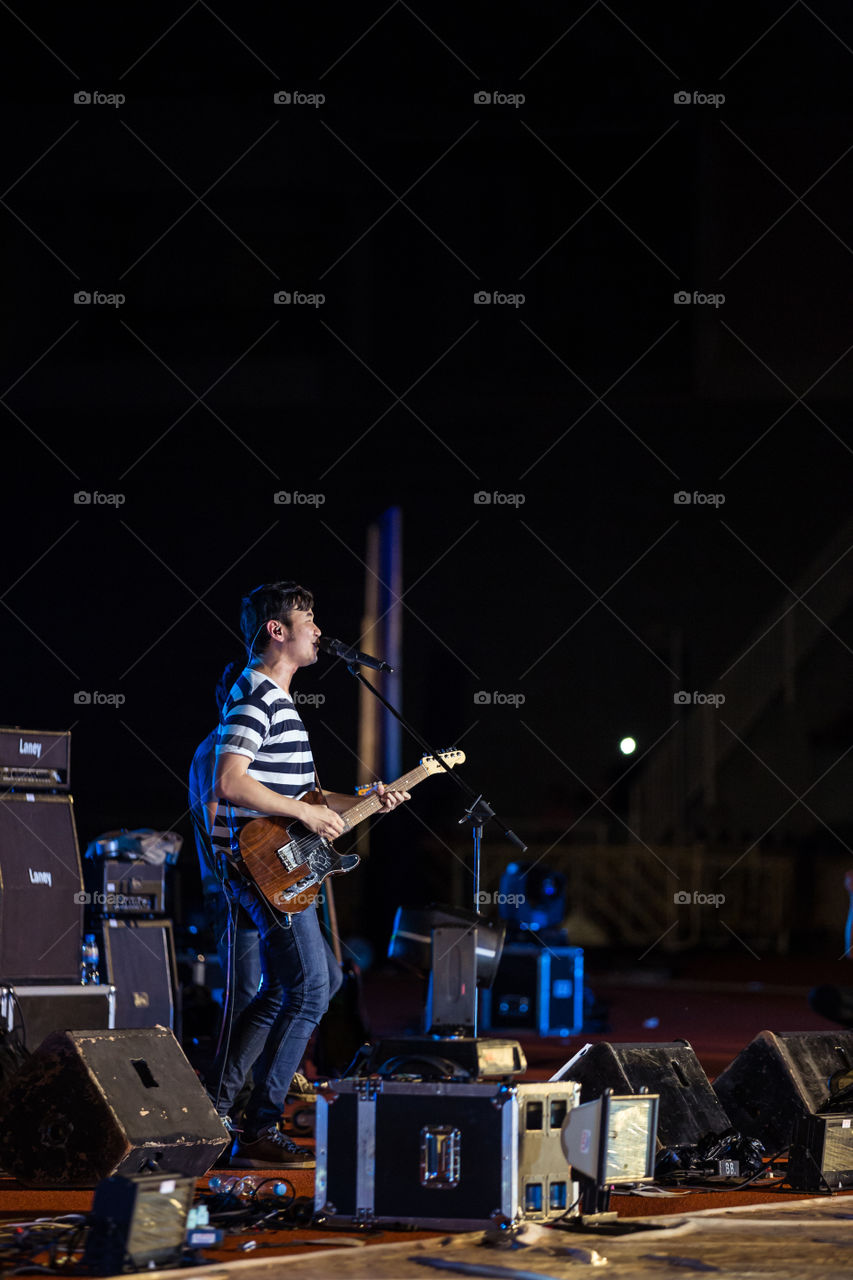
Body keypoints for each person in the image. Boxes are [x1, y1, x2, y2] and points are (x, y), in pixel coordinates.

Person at [210, 580, 410, 1168]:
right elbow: (230, 780)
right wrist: (304, 810)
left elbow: (306, 800)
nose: (320, 630)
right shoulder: (256, 700)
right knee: (314, 986)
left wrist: (369, 799)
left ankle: (218, 1106)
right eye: (309, 619)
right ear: (278, 631)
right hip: (262, 869)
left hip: (280, 863)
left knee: (291, 988)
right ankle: (260, 1126)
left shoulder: (282, 703)